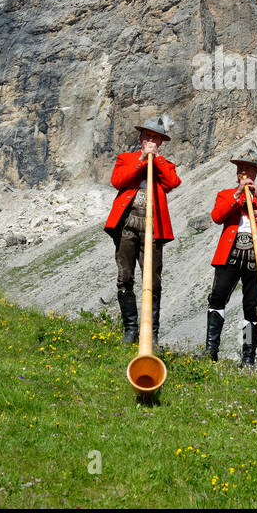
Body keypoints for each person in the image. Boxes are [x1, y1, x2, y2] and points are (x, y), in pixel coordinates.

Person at [205, 142, 257, 366]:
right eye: (240, 169)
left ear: (256, 172)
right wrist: (238, 194)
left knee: (251, 307)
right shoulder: (226, 194)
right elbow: (217, 216)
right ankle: (212, 349)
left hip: (256, 254)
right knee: (218, 298)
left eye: (248, 169)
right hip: (231, 253)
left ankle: (247, 356)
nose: (243, 173)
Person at [104, 115, 180, 344]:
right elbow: (118, 181)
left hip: (152, 228)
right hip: (128, 223)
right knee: (125, 276)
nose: (150, 141)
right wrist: (141, 160)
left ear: (161, 143)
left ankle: (151, 333)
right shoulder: (125, 159)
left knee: (153, 279)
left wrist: (155, 160)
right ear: (140, 138)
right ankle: (130, 329)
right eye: (147, 136)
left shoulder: (164, 163)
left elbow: (172, 182)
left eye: (155, 138)